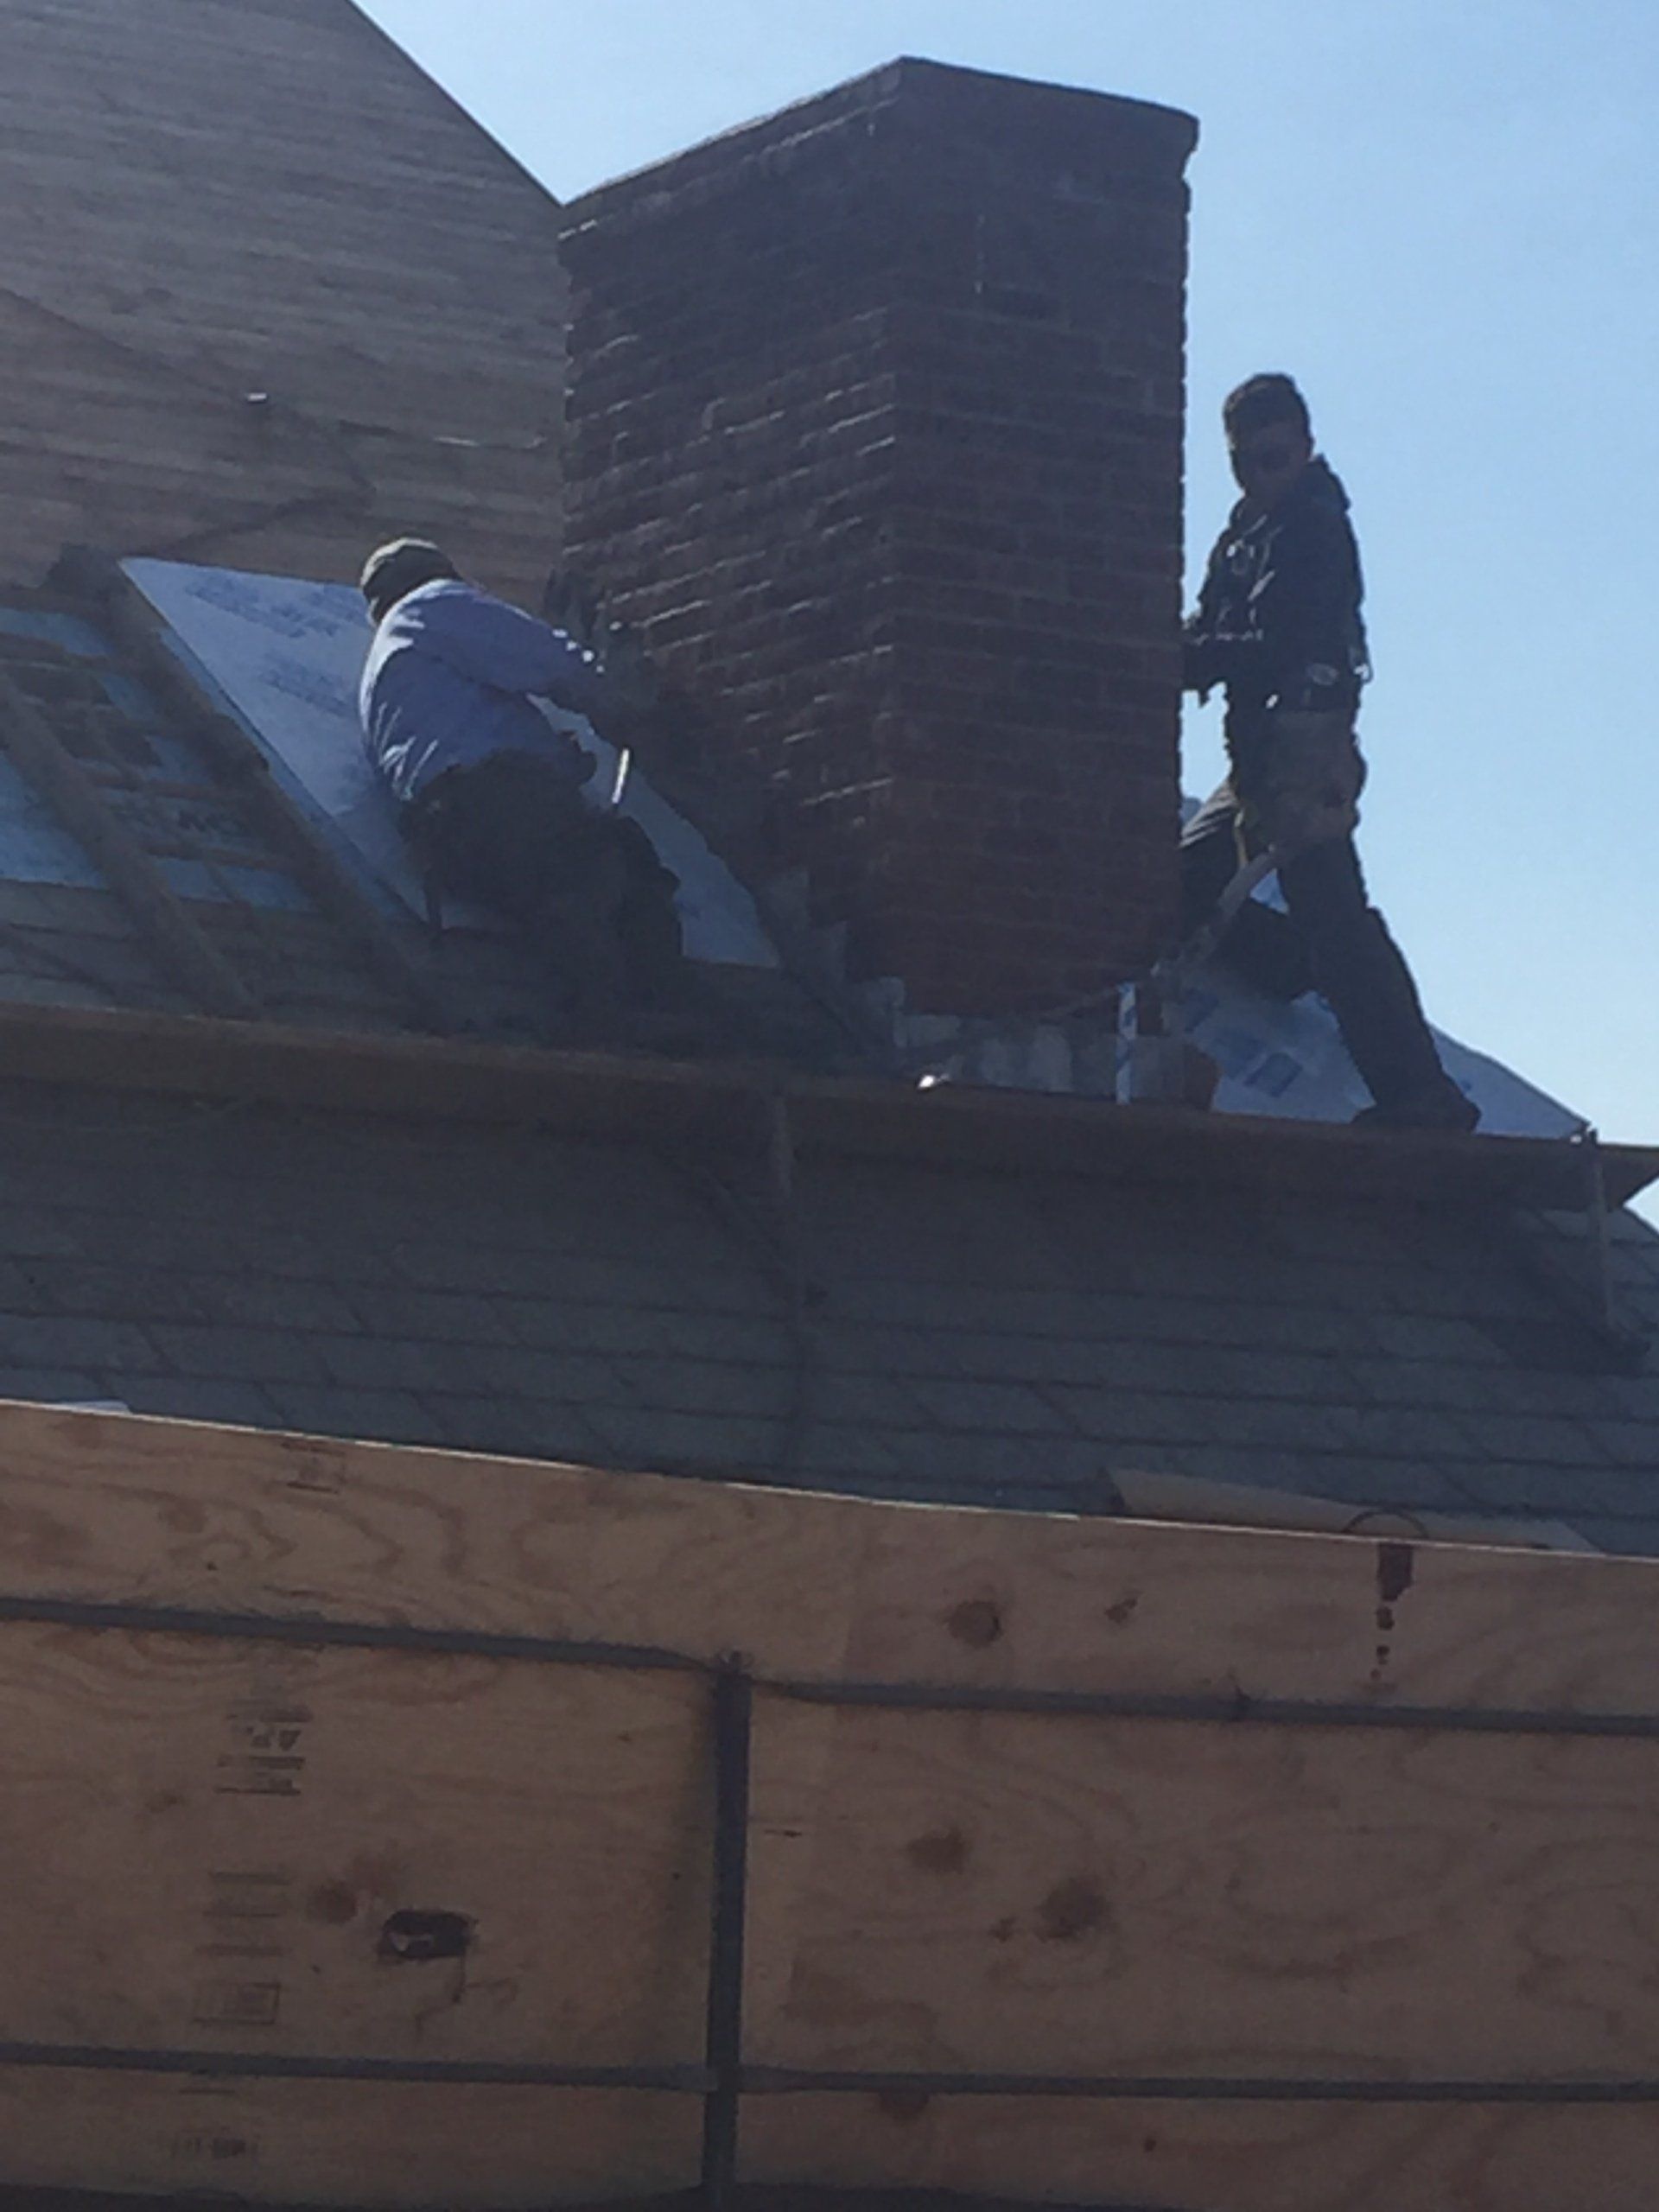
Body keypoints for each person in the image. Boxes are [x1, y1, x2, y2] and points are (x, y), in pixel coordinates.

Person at [1180, 375, 1478, 1131]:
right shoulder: (1246, 530)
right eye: (1246, 462)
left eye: (1274, 457)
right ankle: (1288, 965)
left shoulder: (1312, 526)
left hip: (1303, 746)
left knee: (1336, 920)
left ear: (1306, 447)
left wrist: (1186, 657)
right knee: (1188, 886)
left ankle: (1422, 1095)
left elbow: (1279, 635)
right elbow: (1218, 622)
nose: (1260, 475)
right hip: (1258, 755)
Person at [358, 538, 685, 1039]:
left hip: (448, 827)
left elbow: (458, 733)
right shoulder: (434, 603)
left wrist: (554, 760)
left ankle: (607, 1013)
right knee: (601, 873)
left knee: (580, 879)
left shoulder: (388, 666)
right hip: (495, 796)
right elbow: (544, 658)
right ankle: (634, 1016)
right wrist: (620, 703)